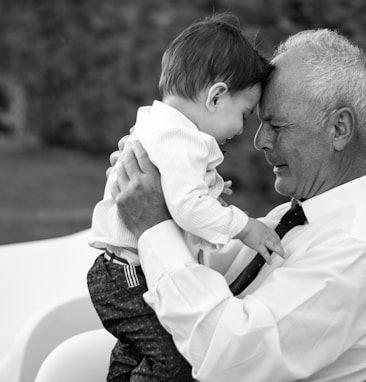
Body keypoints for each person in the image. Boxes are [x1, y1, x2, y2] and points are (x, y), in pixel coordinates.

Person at [110, 28, 366, 381]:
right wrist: (156, 182)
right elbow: (209, 269)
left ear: (339, 128)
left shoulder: (353, 249)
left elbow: (233, 357)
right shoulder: (293, 217)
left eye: (276, 125)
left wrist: (154, 226)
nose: (260, 141)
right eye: (258, 121)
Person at [87, 13, 285, 382]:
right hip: (130, 275)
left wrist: (209, 190)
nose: (243, 129)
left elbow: (179, 195)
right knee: (178, 359)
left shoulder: (159, 124)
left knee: (138, 353)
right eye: (243, 114)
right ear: (216, 96)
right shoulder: (182, 140)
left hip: (120, 273)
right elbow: (188, 209)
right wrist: (245, 227)